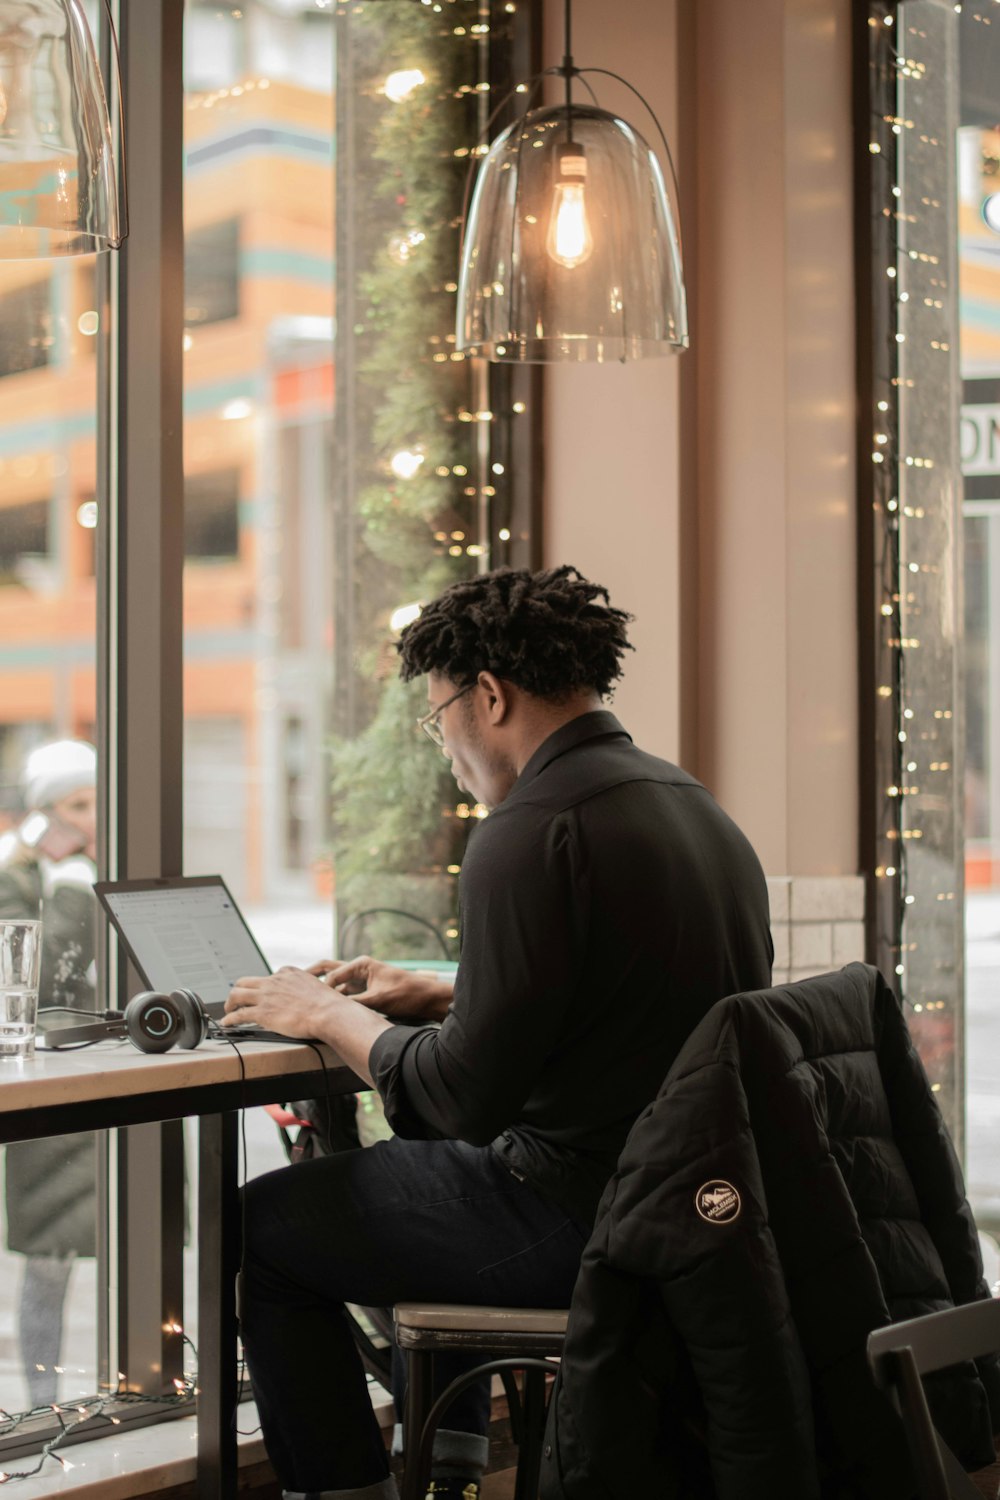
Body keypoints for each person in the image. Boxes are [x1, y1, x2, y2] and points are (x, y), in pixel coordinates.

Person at [222, 565, 774, 1500]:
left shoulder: (527, 829)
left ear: (489, 694)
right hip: (677, 1203)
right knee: (368, 1202)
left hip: (574, 1212)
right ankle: (452, 1474)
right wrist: (440, 999)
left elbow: (458, 1104)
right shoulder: (688, 803)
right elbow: (619, 1014)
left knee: (261, 1230)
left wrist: (329, 1017)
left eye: (439, 721)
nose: (445, 750)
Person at [0, 739, 99, 1410]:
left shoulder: (104, 866)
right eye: (76, 804)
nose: (92, 817)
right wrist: (68, 887)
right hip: (55, 1083)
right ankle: (41, 1404)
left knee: (135, 1243)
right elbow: (40, 976)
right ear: (41, 815)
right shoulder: (20, 881)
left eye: (98, 802)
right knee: (50, 1260)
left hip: (112, 1074)